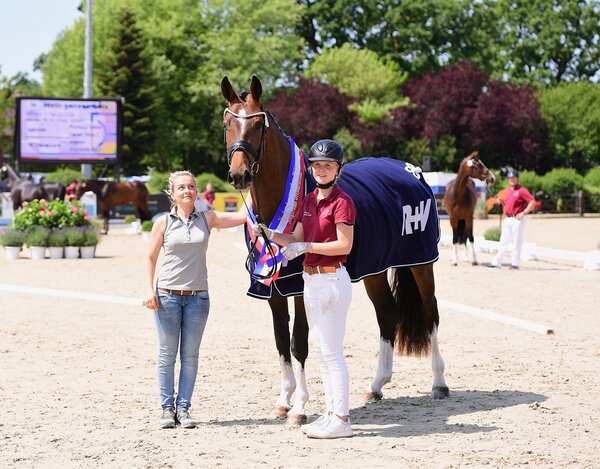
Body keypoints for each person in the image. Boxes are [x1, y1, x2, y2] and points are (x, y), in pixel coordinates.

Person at [253, 139, 356, 439]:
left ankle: (342, 418)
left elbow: (344, 244)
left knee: (333, 352)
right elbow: (294, 238)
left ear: (338, 169)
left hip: (332, 279)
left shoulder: (342, 202)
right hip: (311, 281)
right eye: (317, 165)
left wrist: (307, 247)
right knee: (321, 352)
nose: (321, 170)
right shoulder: (309, 201)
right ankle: (330, 413)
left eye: (327, 165)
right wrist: (270, 234)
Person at [145, 170, 246, 429]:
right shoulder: (163, 222)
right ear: (172, 193)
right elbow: (150, 258)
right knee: (167, 355)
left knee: (190, 357)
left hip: (198, 298)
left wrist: (256, 184)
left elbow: (244, 216)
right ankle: (167, 410)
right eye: (181, 187)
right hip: (167, 296)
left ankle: (183, 408)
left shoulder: (207, 218)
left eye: (190, 186)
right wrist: (149, 290)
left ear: (196, 191)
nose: (187, 191)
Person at [490, 168, 536, 269]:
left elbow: (532, 202)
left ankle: (515, 264)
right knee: (503, 241)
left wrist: (524, 212)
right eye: (510, 178)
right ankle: (497, 262)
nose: (512, 180)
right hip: (507, 219)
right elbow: (508, 203)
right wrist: (501, 202)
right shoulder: (507, 190)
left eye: (514, 178)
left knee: (517, 242)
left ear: (517, 179)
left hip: (517, 219)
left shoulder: (522, 190)